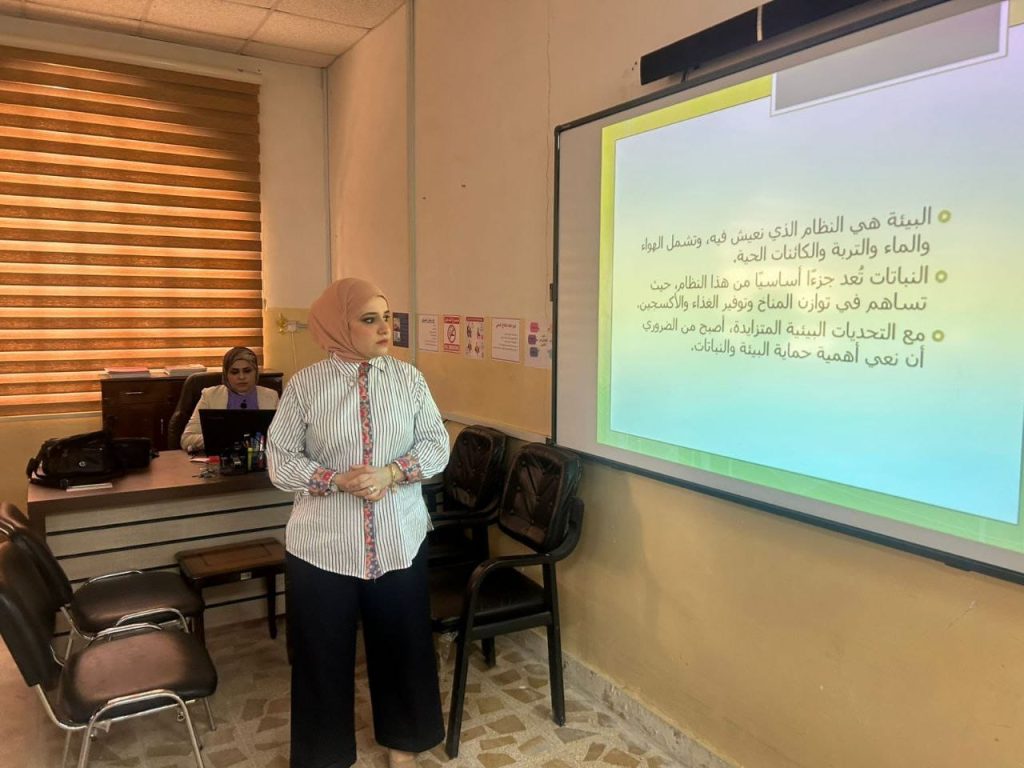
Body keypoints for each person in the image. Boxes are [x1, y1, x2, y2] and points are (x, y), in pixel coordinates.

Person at [266, 278, 449, 768]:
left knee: (403, 645)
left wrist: (393, 473)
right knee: (321, 655)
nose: (385, 328)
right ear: (337, 325)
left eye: (387, 317)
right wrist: (333, 479)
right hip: (322, 547)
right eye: (370, 319)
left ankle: (403, 744)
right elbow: (279, 461)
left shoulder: (409, 380)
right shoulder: (305, 386)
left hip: (398, 538)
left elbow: (437, 445)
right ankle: (324, 755)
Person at [179, 346, 280, 452]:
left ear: (256, 372)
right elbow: (187, 439)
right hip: (221, 459)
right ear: (226, 374)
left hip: (259, 458)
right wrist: (222, 439)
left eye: (247, 371)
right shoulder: (210, 396)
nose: (241, 377)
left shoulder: (271, 397)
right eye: (234, 372)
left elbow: (283, 437)